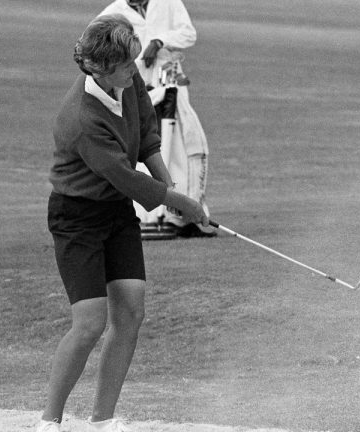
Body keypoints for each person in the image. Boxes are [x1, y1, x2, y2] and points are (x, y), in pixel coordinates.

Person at [36, 14, 208, 432]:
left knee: (130, 312)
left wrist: (165, 177)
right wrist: (180, 201)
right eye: (127, 65)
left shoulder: (126, 84)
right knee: (90, 322)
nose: (135, 70)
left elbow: (146, 130)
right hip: (76, 219)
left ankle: (102, 419)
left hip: (115, 213)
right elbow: (124, 176)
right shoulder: (81, 118)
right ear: (100, 67)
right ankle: (49, 420)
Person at [98, 0, 213, 239]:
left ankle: (181, 216)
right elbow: (95, 46)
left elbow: (188, 33)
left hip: (170, 82)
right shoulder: (113, 12)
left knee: (180, 148)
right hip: (135, 87)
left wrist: (159, 41)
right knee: (143, 146)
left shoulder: (169, 2)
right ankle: (148, 217)